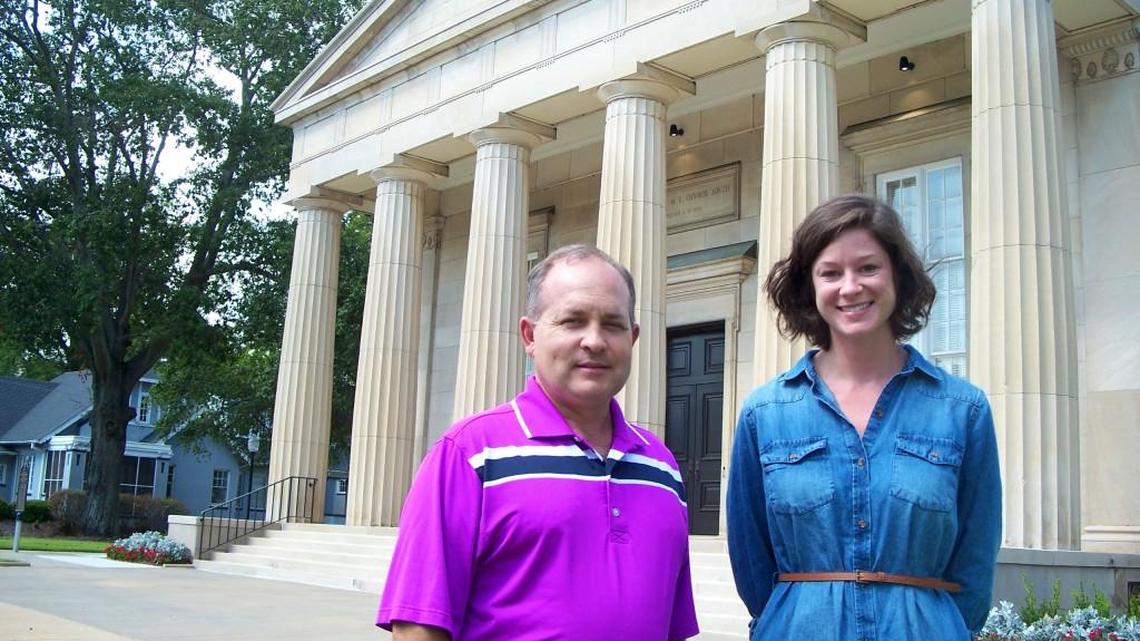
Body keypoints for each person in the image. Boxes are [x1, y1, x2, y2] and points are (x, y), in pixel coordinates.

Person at [377, 244, 699, 641]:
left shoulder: (661, 466)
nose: (594, 341)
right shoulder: (469, 454)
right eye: (573, 321)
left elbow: (673, 626)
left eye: (613, 324)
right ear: (530, 335)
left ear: (632, 338)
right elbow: (418, 627)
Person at [726, 194, 1001, 640]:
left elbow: (975, 559)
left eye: (868, 267)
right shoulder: (766, 414)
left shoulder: (962, 410)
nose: (850, 287)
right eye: (830, 273)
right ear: (810, 290)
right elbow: (752, 559)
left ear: (898, 276)